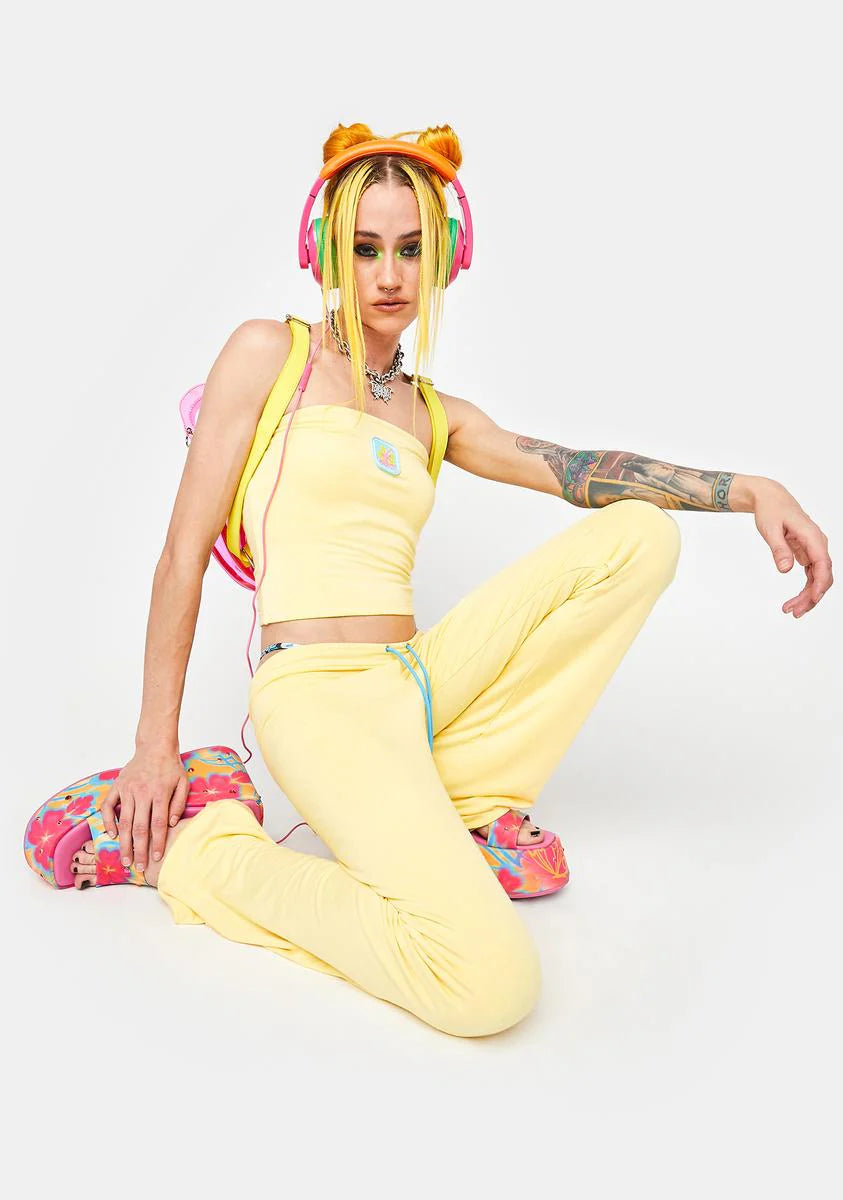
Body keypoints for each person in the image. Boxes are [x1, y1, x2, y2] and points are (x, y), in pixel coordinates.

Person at [68, 122, 833, 1037]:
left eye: (410, 250)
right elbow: (179, 555)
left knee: (637, 536)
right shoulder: (269, 356)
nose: (388, 275)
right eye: (364, 249)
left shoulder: (433, 414)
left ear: (443, 260)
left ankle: (466, 807)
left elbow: (573, 470)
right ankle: (207, 856)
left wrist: (749, 490)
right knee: (490, 987)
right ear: (324, 252)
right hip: (318, 697)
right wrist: (153, 747)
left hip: (416, 681)